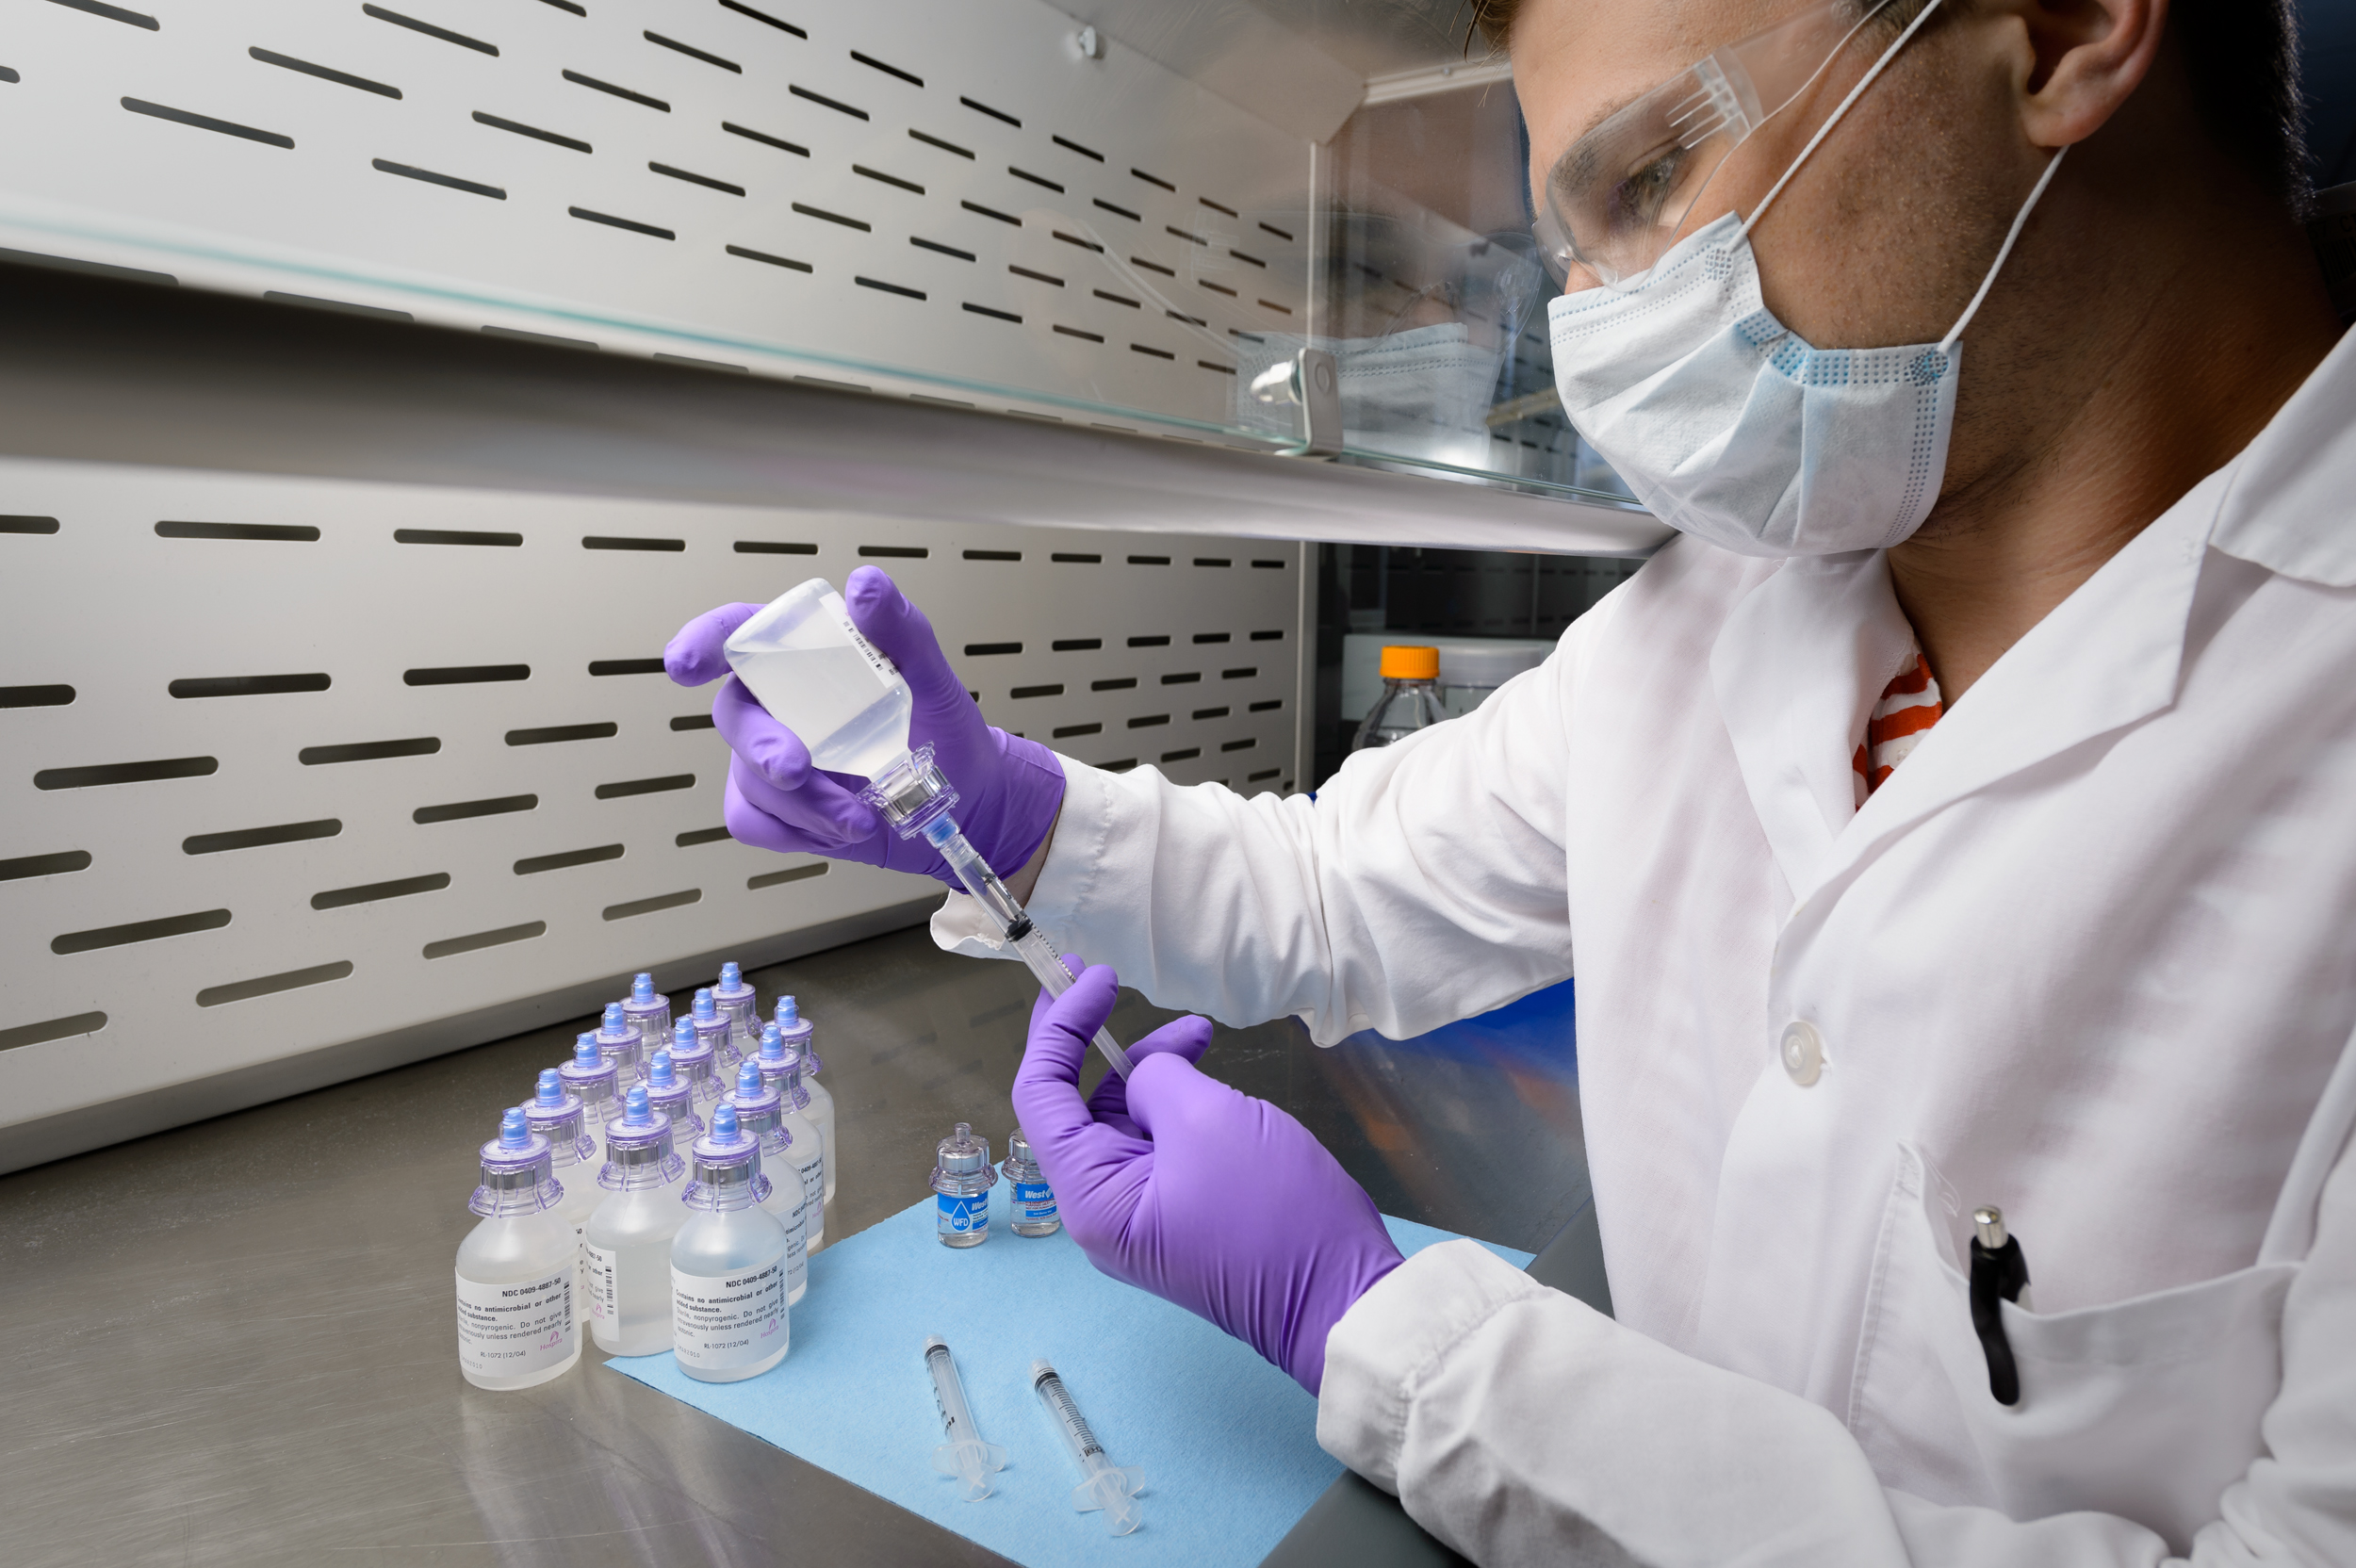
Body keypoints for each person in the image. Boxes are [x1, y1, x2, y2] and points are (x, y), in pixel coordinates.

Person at [665, 0, 2356, 1559]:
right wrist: (1016, 820)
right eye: (1572, 250)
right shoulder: (1710, 623)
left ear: (2059, 31)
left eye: (1650, 176)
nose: (1600, 328)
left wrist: (1380, 1330)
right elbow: (1336, 891)